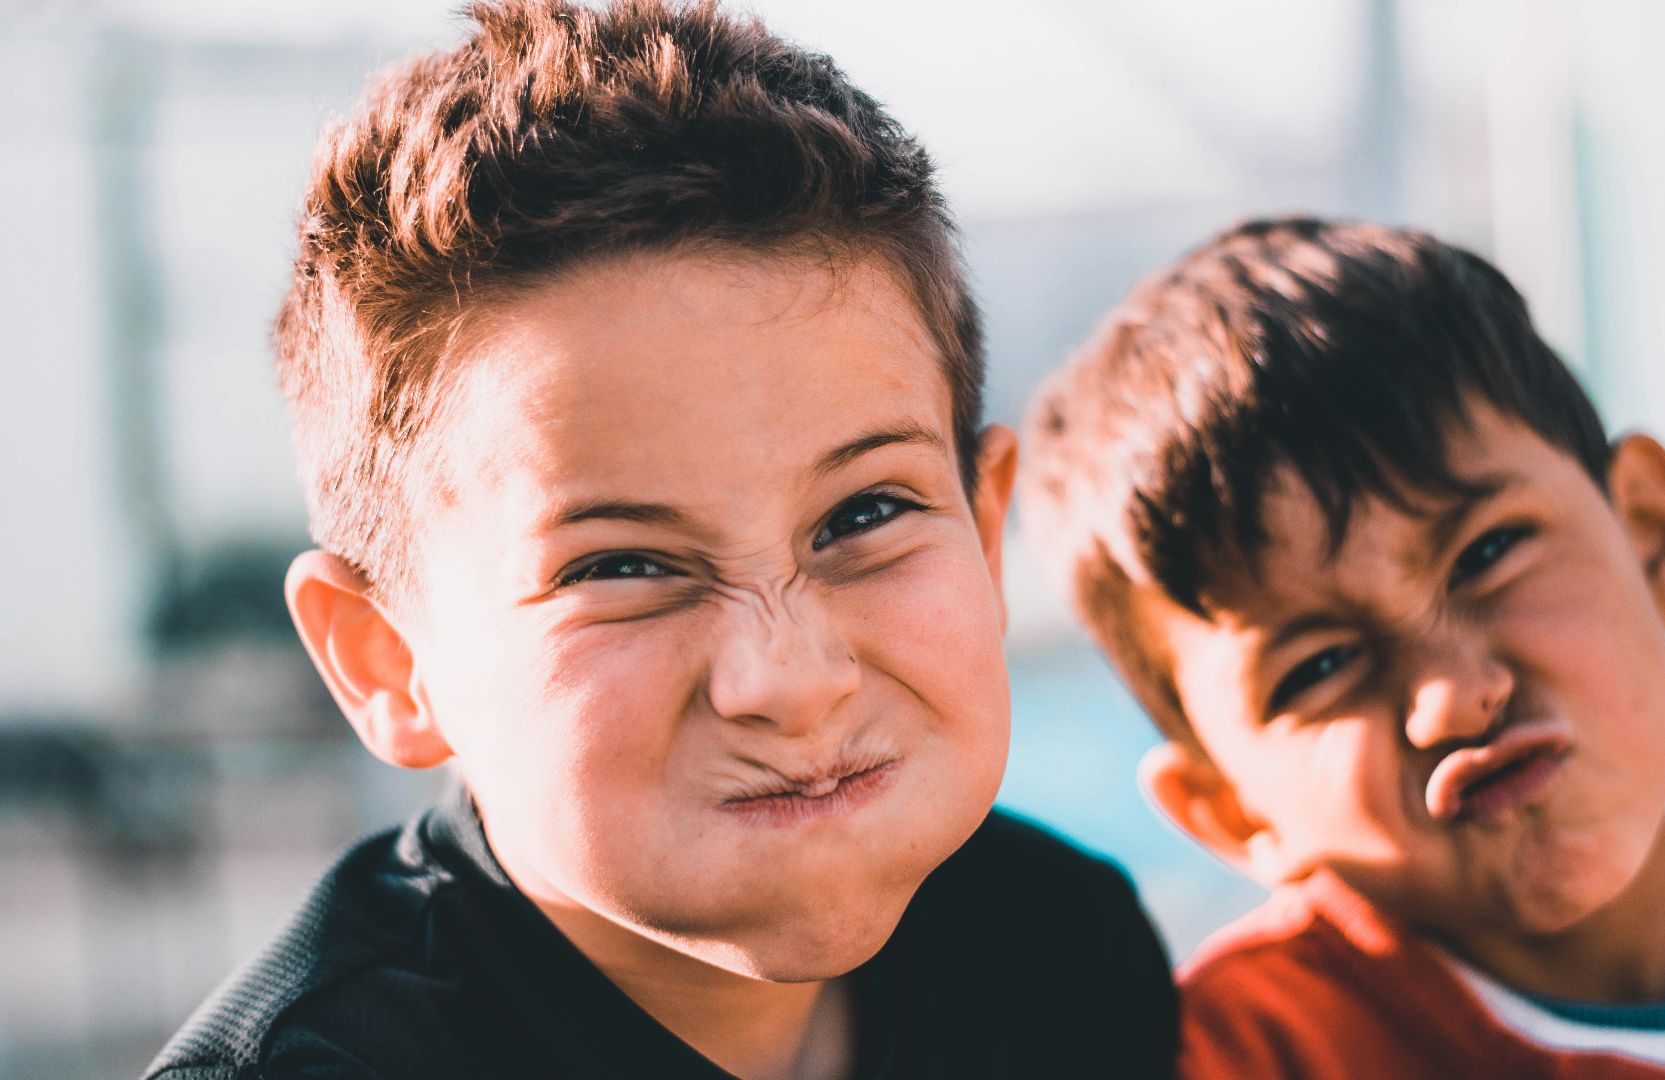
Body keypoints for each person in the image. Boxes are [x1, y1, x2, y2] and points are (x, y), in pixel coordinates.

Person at [142, 3, 1176, 1077]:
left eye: (864, 515)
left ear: (987, 527)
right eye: (621, 566)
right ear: (388, 662)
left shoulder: (1059, 958)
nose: (790, 679)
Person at [1019, 216, 1665, 1078]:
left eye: (1488, 553)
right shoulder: (1230, 1059)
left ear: (1651, 533)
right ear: (1228, 811)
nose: (1450, 697)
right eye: (1320, 666)